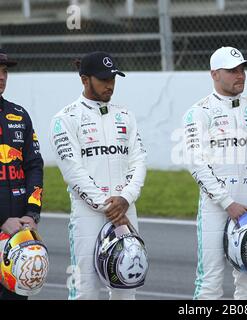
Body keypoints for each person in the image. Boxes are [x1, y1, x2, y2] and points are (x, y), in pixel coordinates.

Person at [50, 51, 147, 300]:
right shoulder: (64, 119)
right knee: (85, 290)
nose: (110, 84)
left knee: (127, 288)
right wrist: (108, 206)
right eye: (103, 79)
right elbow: (73, 172)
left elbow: (138, 161)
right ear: (84, 79)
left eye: (113, 77)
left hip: (126, 209)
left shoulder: (125, 115)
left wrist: (125, 198)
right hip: (88, 215)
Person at [183, 46, 247, 299]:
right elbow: (197, 164)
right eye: (232, 70)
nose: (240, 75)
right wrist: (227, 202)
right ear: (214, 74)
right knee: (210, 281)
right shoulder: (198, 113)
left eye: (242, 69)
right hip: (216, 207)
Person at [0, 49, 44, 300]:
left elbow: (34, 167)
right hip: (5, 221)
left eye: (5, 71)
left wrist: (32, 213)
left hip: (18, 230)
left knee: (16, 295)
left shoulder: (19, 114)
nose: (2, 77)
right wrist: (2, 218)